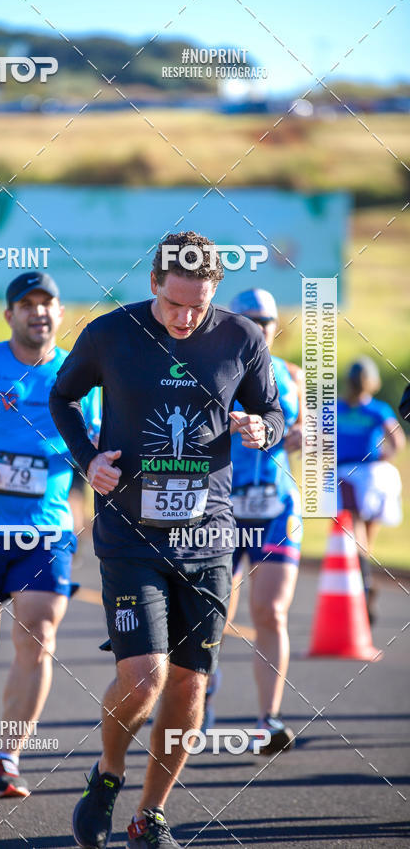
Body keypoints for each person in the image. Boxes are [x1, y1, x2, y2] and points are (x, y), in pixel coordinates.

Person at [49, 231, 284, 849]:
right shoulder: (110, 334)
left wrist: (261, 428)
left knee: (189, 683)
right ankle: (107, 774)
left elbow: (274, 413)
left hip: (208, 538)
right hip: (130, 535)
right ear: (154, 283)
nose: (185, 318)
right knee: (144, 675)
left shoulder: (242, 338)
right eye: (175, 303)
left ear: (214, 294)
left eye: (198, 306)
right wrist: (87, 458)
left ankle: (149, 812)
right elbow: (64, 396)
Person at [0, 271, 101, 798]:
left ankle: (8, 756)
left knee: (39, 631)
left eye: (48, 303)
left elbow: (93, 446)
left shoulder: (78, 374)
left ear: (59, 312)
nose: (39, 312)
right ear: (9, 314)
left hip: (46, 529)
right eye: (26, 304)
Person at [203, 288, 305, 753]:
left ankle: (269, 718)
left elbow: (314, 440)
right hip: (222, 506)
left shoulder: (293, 375)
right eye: (249, 319)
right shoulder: (213, 373)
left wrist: (295, 434)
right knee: (211, 613)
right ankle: (200, 691)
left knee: (270, 612)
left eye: (265, 320)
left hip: (276, 508)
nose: (259, 328)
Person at [337, 357, 405, 623]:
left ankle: (363, 586)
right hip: (375, 476)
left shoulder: (337, 408)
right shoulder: (378, 409)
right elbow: (397, 441)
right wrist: (383, 456)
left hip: (348, 476)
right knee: (366, 539)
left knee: (355, 535)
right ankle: (365, 584)